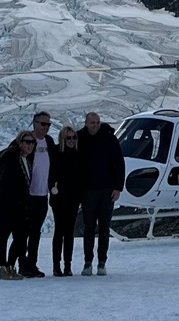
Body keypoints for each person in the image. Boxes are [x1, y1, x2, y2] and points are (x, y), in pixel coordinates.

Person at [79, 111, 124, 275]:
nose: (95, 125)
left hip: (107, 190)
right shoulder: (79, 139)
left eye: (97, 122)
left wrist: (118, 187)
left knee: (104, 228)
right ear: (86, 123)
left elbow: (119, 163)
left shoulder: (109, 138)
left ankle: (102, 262)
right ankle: (88, 262)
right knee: (89, 228)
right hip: (88, 191)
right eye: (92, 122)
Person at [0, 130, 36, 280]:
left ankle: (9, 266)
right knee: (4, 236)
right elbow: (5, 181)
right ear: (19, 142)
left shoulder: (25, 159)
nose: (30, 145)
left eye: (32, 142)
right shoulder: (11, 157)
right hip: (7, 204)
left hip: (19, 205)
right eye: (27, 142)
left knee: (21, 237)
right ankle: (4, 268)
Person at [19, 111, 55, 279]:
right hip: (28, 196)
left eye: (48, 124)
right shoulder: (25, 141)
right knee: (24, 231)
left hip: (42, 195)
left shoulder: (49, 142)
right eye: (42, 124)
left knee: (36, 232)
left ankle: (31, 264)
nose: (45, 128)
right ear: (34, 123)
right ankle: (21, 264)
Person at [49, 125, 85, 276]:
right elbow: (50, 174)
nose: (71, 140)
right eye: (68, 138)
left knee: (69, 231)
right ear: (62, 139)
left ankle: (67, 265)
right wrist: (52, 188)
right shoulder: (56, 153)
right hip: (59, 197)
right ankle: (57, 266)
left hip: (73, 198)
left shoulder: (78, 154)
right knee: (59, 230)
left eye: (73, 137)